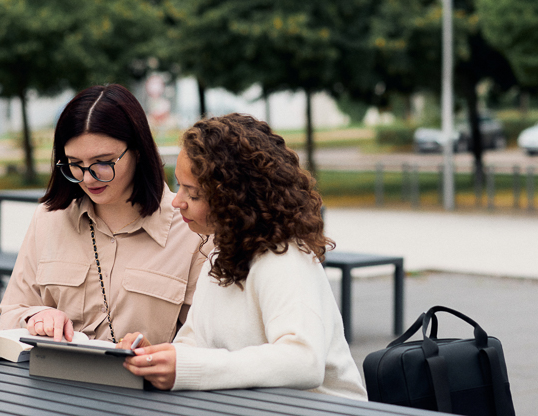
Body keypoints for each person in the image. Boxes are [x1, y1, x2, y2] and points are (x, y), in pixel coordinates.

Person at [119, 113, 367, 400]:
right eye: (179, 186)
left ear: (234, 198)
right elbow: (194, 343)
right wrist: (157, 358)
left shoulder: (283, 258)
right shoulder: (220, 254)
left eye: (194, 193)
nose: (177, 202)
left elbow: (304, 361)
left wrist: (189, 366)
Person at [0, 84, 206, 344]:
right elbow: (9, 314)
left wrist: (161, 356)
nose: (87, 177)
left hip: (141, 383)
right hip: (50, 381)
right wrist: (37, 316)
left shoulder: (192, 229)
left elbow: (205, 337)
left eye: (103, 162)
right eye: (75, 164)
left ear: (138, 151)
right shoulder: (49, 218)